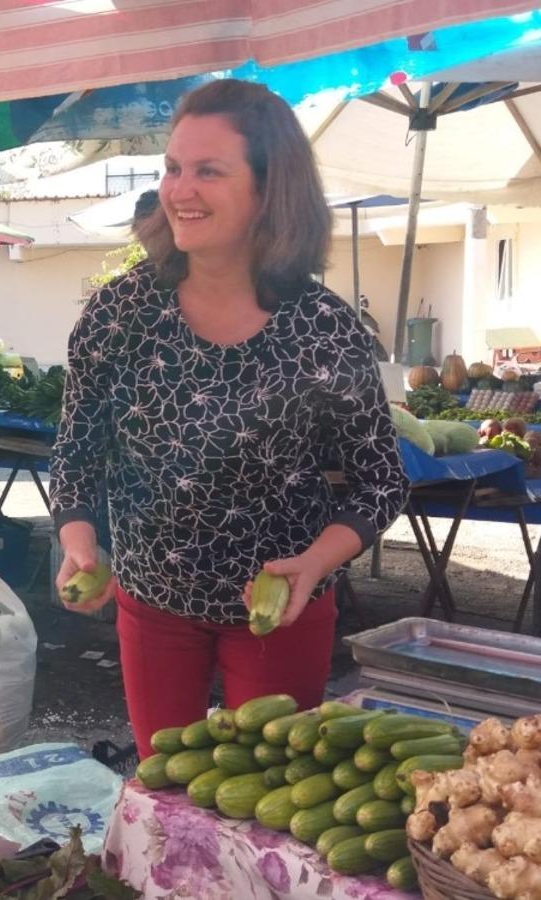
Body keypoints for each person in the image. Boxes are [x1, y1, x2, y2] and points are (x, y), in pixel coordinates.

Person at [49, 79, 408, 755]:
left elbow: (380, 483)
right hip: (152, 600)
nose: (179, 191)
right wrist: (78, 543)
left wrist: (315, 563)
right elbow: (76, 452)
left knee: (265, 802)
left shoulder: (323, 327)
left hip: (281, 611)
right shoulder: (120, 314)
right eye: (174, 169)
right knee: (166, 793)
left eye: (209, 171)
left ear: (270, 189)